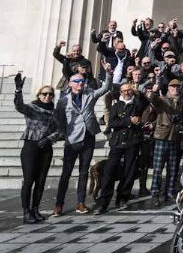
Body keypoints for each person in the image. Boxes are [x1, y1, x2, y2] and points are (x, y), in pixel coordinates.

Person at [52, 63, 113, 215]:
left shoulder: (89, 94)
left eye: (82, 81)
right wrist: (65, 133)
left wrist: (108, 74)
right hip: (72, 140)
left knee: (84, 172)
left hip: (88, 137)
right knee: (66, 173)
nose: (80, 83)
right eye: (77, 81)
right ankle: (59, 204)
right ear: (71, 83)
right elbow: (59, 120)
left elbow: (105, 88)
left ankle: (81, 202)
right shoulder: (63, 101)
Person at [94, 81, 147, 214]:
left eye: (129, 90)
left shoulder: (137, 104)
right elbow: (112, 122)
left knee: (129, 171)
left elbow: (146, 101)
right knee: (109, 170)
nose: (127, 92)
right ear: (120, 93)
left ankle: (123, 196)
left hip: (132, 141)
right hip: (117, 142)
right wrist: (129, 121)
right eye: (124, 91)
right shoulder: (116, 105)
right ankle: (103, 201)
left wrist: (138, 92)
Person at [13, 73, 58, 223]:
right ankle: (26, 212)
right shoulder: (32, 108)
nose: (47, 96)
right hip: (31, 146)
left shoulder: (55, 111)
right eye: (44, 94)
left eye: (50, 94)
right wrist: (18, 90)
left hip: (46, 147)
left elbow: (60, 130)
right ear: (39, 95)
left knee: (41, 181)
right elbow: (19, 106)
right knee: (28, 180)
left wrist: (49, 139)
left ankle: (35, 209)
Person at [146, 79, 183, 206]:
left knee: (172, 169)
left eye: (177, 86)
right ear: (168, 87)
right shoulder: (162, 99)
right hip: (162, 136)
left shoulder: (181, 101)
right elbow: (152, 99)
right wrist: (154, 91)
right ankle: (155, 194)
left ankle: (169, 192)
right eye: (172, 86)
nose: (175, 88)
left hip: (175, 137)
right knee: (158, 169)